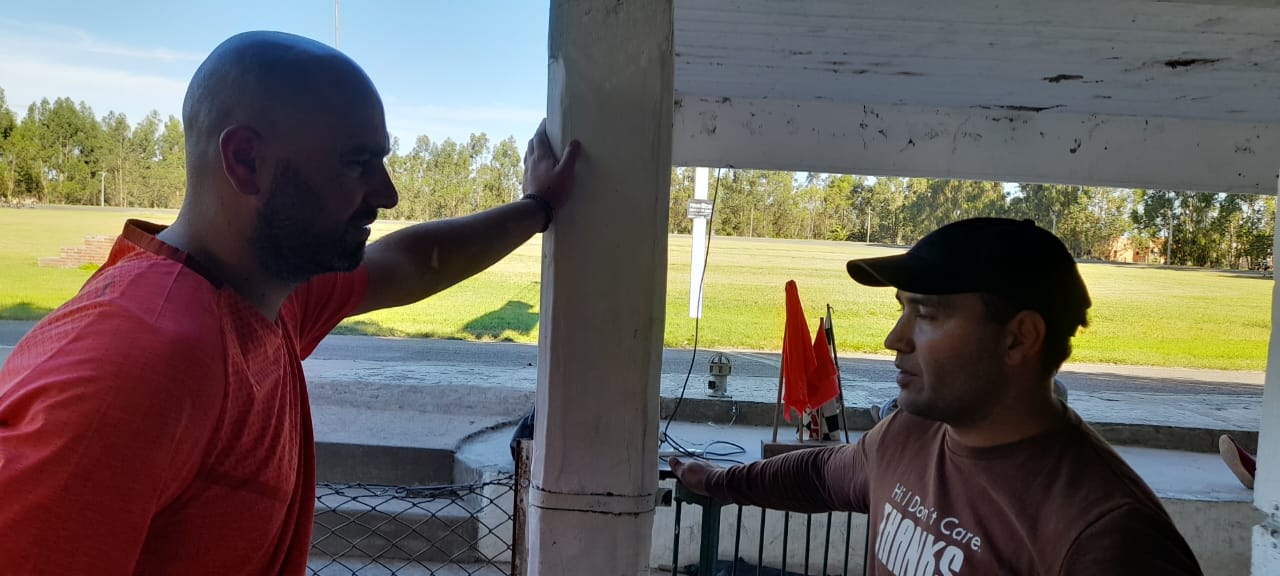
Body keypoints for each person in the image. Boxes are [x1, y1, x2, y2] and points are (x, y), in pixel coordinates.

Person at [0, 31, 580, 575]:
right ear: (246, 161)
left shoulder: (263, 298)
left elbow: (408, 263)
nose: (387, 194)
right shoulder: (139, 361)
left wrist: (537, 208)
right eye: (357, 163)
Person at [671, 218, 1203, 575]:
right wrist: (716, 480)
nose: (894, 339)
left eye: (925, 314)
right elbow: (822, 474)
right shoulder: (911, 431)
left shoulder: (1108, 538)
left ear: (1019, 338)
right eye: (901, 310)